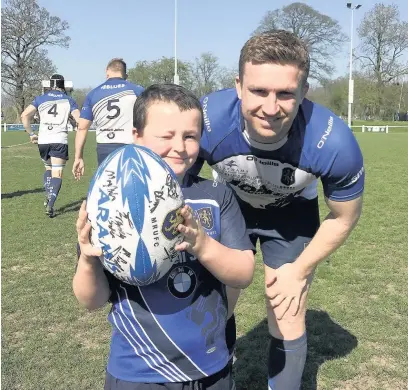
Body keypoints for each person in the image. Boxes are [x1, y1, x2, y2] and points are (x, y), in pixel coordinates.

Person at [190, 30, 365, 390]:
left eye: (285, 93)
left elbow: (345, 216)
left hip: (290, 215)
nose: (271, 108)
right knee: (213, 304)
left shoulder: (333, 142)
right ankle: (214, 378)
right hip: (230, 206)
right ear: (238, 85)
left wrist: (299, 271)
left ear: (304, 91)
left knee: (287, 309)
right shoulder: (206, 121)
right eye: (258, 91)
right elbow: (178, 185)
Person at [73, 83, 255, 390]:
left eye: (190, 136)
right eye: (166, 136)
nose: (180, 147)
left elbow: (243, 273)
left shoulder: (215, 195)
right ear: (136, 136)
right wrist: (89, 260)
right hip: (137, 373)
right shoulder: (110, 200)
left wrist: (203, 245)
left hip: (210, 367)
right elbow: (91, 300)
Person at [72, 58, 144, 179]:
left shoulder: (93, 93)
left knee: (109, 187)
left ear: (107, 72)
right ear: (126, 75)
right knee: (132, 185)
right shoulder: (137, 91)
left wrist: (78, 157)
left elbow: (82, 128)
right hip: (131, 145)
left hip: (104, 147)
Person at [21, 74, 80, 217]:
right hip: (59, 140)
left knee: (48, 167)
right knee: (57, 173)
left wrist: (31, 134)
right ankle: (51, 204)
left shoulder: (40, 99)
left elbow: (24, 115)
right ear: (63, 86)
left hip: (43, 140)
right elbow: (79, 119)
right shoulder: (68, 100)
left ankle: (48, 194)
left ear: (50, 85)